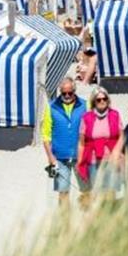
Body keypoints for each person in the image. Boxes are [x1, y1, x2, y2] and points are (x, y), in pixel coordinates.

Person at [41, 77, 87, 209]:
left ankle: (87, 219)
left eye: (70, 93)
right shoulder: (51, 107)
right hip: (60, 157)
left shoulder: (85, 105)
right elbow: (46, 135)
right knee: (63, 191)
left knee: (86, 190)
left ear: (74, 91)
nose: (67, 96)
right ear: (60, 91)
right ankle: (65, 221)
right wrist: (50, 157)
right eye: (64, 93)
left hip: (81, 155)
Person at [76, 87, 122, 196]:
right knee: (97, 192)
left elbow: (122, 136)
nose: (102, 101)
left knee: (111, 192)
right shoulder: (86, 117)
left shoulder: (115, 114)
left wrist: (117, 152)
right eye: (98, 99)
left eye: (104, 99)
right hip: (93, 160)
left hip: (111, 159)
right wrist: (80, 162)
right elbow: (82, 142)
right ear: (94, 101)